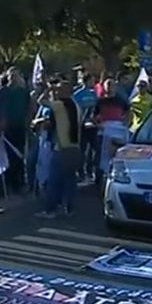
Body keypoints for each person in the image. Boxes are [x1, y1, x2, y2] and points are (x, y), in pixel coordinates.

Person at [37, 81, 82, 218]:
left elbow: (41, 101)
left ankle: (50, 210)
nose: (56, 92)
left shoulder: (60, 105)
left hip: (61, 148)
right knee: (70, 180)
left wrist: (48, 88)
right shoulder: (76, 106)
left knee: (54, 180)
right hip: (75, 147)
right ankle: (69, 208)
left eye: (59, 90)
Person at [73, 74, 99, 183]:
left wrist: (96, 118)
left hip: (93, 126)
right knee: (82, 150)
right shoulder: (78, 95)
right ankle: (80, 172)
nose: (93, 83)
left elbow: (97, 109)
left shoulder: (94, 94)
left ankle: (90, 170)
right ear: (86, 81)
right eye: (92, 81)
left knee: (96, 149)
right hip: (81, 126)